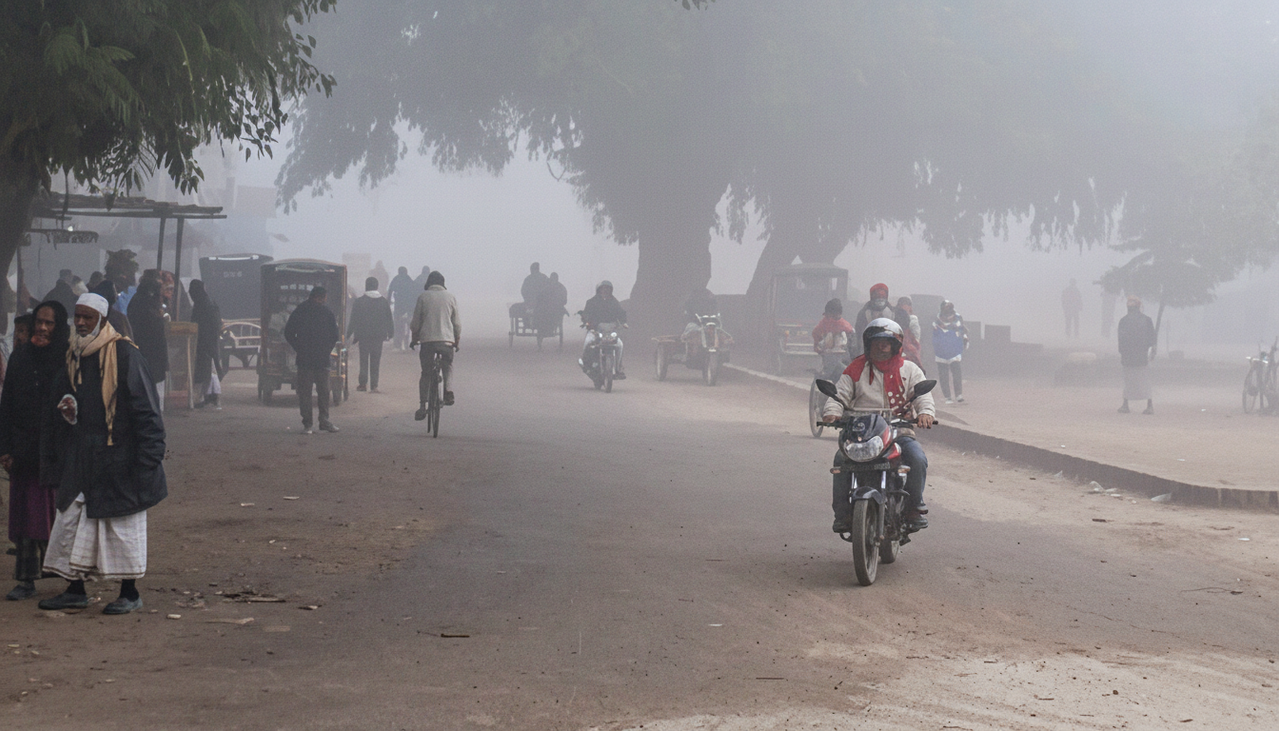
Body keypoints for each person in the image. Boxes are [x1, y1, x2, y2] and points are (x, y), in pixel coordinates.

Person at [37, 293, 167, 615]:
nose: (81, 323)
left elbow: (147, 413)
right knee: (72, 521)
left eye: (88, 317)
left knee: (121, 528)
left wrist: (147, 462)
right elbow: (66, 397)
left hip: (119, 458)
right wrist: (69, 409)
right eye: (78, 317)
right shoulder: (73, 355)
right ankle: (75, 589)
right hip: (82, 456)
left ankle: (129, 593)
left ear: (103, 320)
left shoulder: (125, 354)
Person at [822, 318, 935, 533]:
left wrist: (925, 413)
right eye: (877, 343)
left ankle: (914, 508)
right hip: (861, 431)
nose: (882, 347)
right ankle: (842, 514)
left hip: (898, 429)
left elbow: (923, 396)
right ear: (868, 344)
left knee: (917, 458)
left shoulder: (910, 369)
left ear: (895, 346)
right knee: (840, 460)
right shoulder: (855, 369)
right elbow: (839, 395)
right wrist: (832, 412)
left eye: (886, 343)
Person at [0, 301, 68, 600]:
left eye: (49, 323)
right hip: (24, 451)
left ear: (58, 326)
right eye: (39, 321)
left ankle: (70, 578)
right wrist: (5, 447)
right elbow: (7, 404)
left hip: (57, 451)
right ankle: (26, 580)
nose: (41, 328)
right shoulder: (20, 356)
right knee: (26, 516)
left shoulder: (68, 358)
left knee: (62, 515)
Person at [284, 286, 340, 434]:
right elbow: (335, 335)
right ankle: (324, 421)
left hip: (304, 359)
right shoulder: (327, 312)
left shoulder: (300, 310)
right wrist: (326, 349)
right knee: (324, 392)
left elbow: (288, 332)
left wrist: (299, 347)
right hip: (322, 360)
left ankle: (308, 424)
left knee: (305, 393)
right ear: (321, 297)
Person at [410, 271, 461, 419]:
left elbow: (415, 323)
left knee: (426, 373)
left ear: (429, 283)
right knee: (447, 365)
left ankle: (422, 406)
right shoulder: (450, 297)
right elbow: (457, 324)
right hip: (446, 341)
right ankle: (448, 391)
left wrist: (415, 338)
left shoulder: (423, 297)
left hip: (427, 342)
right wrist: (456, 340)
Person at [348, 276, 395, 392]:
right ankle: (374, 385)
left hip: (363, 336)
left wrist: (348, 334)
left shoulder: (359, 302)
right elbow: (389, 319)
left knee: (363, 360)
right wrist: (390, 333)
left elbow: (353, 320)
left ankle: (363, 384)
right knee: (375, 360)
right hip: (378, 336)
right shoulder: (383, 302)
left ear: (366, 286)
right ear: (377, 286)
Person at [127, 278, 169, 404]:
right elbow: (154, 327)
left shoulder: (137, 301)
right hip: (150, 351)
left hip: (142, 349)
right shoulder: (146, 304)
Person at [1117, 295, 1156, 415]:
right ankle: (1148, 405)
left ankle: (1127, 404)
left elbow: (1121, 341)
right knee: (1143, 381)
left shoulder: (1124, 321)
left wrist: (1123, 353)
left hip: (1130, 356)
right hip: (1140, 356)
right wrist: (1151, 350)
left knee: (1130, 381)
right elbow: (1152, 339)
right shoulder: (1146, 320)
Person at [188, 280, 224, 409]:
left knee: (206, 370)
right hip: (208, 343)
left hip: (205, 343)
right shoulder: (206, 302)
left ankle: (207, 396)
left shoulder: (203, 305)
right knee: (209, 370)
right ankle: (210, 396)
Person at [581, 280, 627, 378]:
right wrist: (588, 322)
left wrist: (624, 322)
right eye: (603, 288)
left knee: (620, 345)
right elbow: (586, 314)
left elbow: (621, 313)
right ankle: (585, 364)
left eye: (608, 289)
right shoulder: (591, 302)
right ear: (599, 290)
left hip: (610, 331)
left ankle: (618, 369)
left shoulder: (614, 302)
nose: (605, 290)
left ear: (611, 290)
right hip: (595, 330)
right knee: (587, 342)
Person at [932, 300, 968, 404]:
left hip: (954, 350)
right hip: (941, 351)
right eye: (945, 308)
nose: (947, 310)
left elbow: (963, 331)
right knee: (943, 376)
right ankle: (947, 397)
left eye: (949, 308)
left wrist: (965, 340)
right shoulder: (937, 321)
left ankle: (958, 395)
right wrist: (938, 346)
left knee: (957, 374)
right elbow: (935, 336)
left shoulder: (958, 318)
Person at [811, 298, 854, 379]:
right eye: (827, 315)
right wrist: (817, 345)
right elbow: (816, 333)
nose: (829, 317)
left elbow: (852, 345)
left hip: (841, 358)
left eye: (830, 315)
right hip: (828, 357)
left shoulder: (846, 326)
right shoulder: (825, 322)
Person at [533, 272, 569, 350]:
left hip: (555, 310)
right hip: (547, 310)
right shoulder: (547, 287)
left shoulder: (559, 288)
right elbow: (539, 298)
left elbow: (564, 301)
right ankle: (543, 331)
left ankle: (545, 331)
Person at [389, 266, 418, 350]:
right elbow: (414, 292)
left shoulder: (396, 279)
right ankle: (409, 340)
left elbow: (390, 290)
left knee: (397, 324)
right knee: (409, 323)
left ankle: (397, 343)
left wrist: (388, 301)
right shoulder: (409, 280)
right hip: (409, 306)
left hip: (399, 306)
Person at [896, 296, 923, 368]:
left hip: (909, 349)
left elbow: (916, 336)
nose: (903, 306)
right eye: (901, 304)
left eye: (905, 304)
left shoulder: (913, 319)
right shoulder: (895, 317)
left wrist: (911, 346)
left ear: (910, 307)